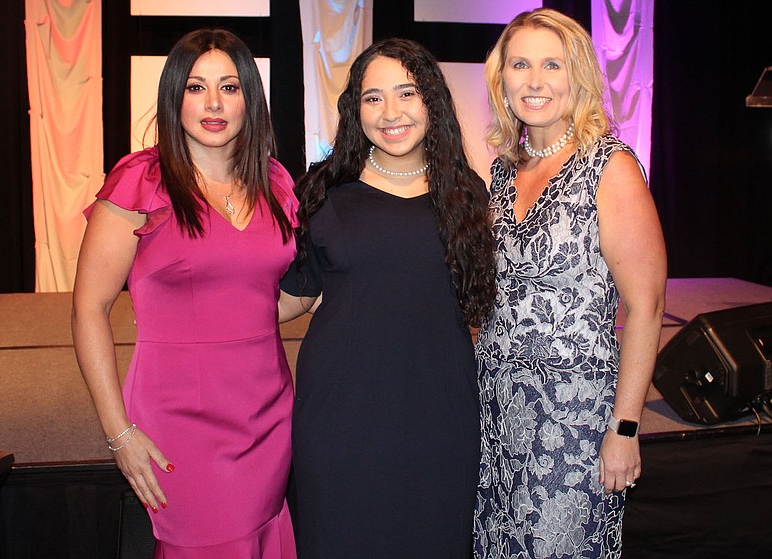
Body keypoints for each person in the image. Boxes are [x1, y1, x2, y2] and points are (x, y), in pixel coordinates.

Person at [72, 28, 298, 558]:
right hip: (179, 419)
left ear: (251, 98)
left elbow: (265, 303)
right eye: (196, 87)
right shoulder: (141, 181)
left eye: (230, 86)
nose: (214, 103)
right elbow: (89, 308)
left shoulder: (276, 184)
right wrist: (118, 432)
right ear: (174, 96)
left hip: (268, 414)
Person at [278, 38, 497, 559]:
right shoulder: (323, 193)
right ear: (355, 108)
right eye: (373, 98)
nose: (391, 112)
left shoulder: (467, 193)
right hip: (341, 415)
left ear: (432, 103)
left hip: (439, 417)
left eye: (407, 93)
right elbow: (292, 298)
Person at [474, 8, 666, 558]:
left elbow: (647, 306)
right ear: (501, 78)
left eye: (551, 65)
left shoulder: (611, 167)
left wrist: (625, 428)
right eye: (520, 65)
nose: (534, 81)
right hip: (498, 412)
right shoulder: (504, 169)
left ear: (576, 75)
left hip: (575, 422)